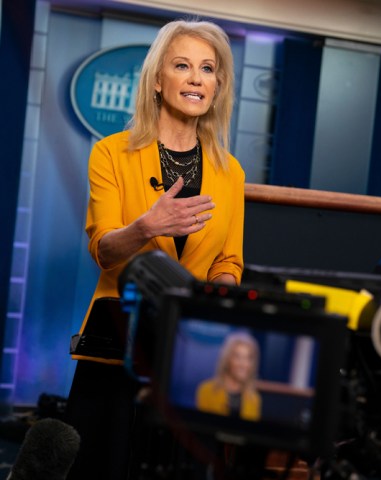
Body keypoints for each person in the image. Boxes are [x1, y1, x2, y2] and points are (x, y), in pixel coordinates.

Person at [65, 18, 245, 480]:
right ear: (158, 80)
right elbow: (104, 249)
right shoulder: (110, 153)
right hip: (119, 343)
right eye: (182, 65)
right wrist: (147, 226)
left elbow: (228, 259)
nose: (195, 78)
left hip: (192, 354)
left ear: (217, 86)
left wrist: (220, 297)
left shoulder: (231, 172)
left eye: (208, 69)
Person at [196, 332, 262, 421]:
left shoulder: (254, 400)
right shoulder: (206, 390)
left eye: (248, 358)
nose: (244, 364)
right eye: (238, 357)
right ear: (227, 360)